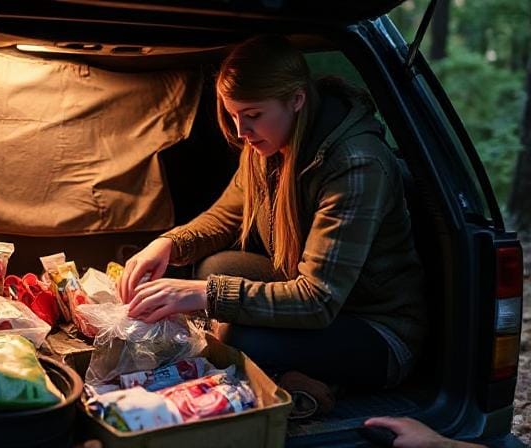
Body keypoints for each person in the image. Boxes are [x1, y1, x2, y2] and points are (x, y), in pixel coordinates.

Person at [119, 35, 425, 393]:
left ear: (296, 99)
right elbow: (223, 218)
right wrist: (168, 244)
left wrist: (205, 295)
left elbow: (318, 299)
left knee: (234, 330)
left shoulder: (356, 164)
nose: (240, 131)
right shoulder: (270, 145)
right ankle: (296, 379)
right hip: (316, 299)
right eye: (233, 115)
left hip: (375, 327)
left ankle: (313, 387)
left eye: (252, 115)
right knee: (215, 268)